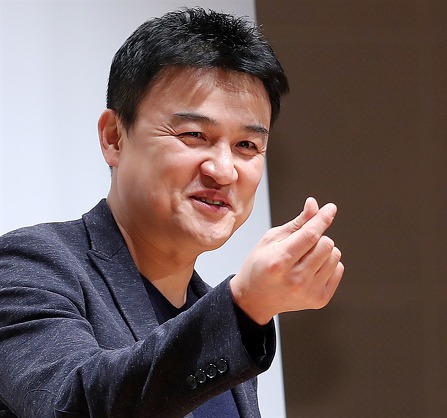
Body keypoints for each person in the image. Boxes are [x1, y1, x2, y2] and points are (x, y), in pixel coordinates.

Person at [0, 8, 343, 418]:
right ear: (114, 137)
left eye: (246, 146)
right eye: (194, 135)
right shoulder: (30, 265)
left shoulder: (215, 314)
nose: (223, 170)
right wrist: (244, 306)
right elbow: (70, 405)